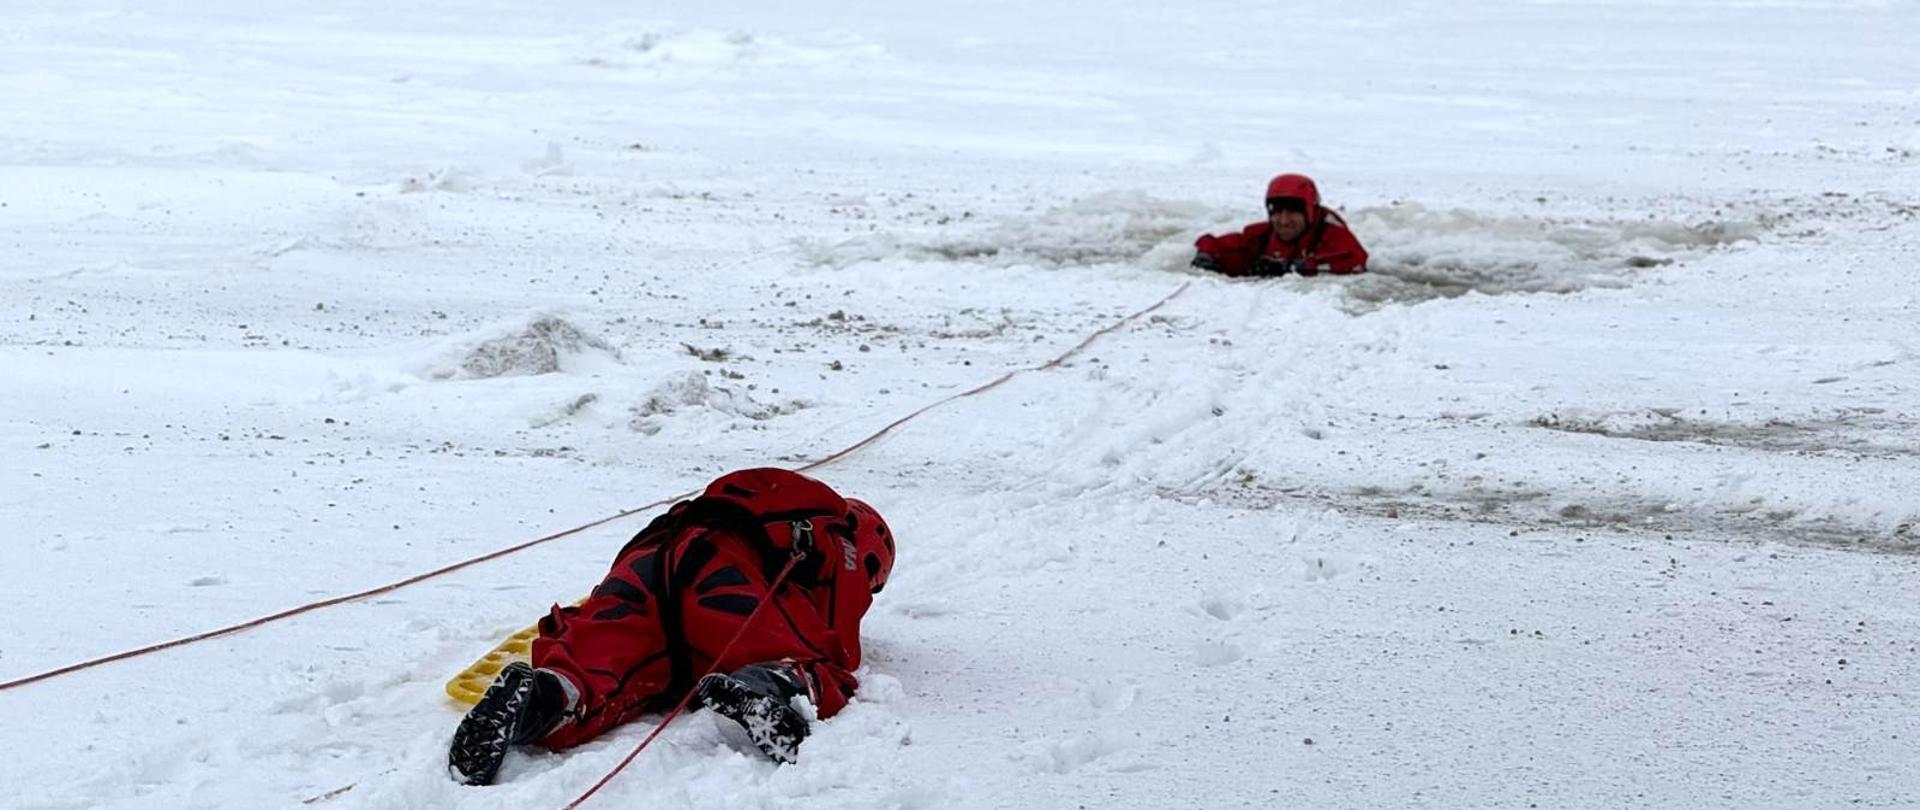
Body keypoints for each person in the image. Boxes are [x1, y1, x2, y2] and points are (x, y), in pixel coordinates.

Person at [448, 468, 896, 786]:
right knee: (815, 664)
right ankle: (771, 686)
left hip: (645, 561)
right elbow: (839, 641)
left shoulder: (763, 501)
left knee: (598, 668)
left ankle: (543, 697)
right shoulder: (844, 539)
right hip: (723, 572)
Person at [1192, 173, 1368, 277]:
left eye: (1292, 212)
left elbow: (1354, 260)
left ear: (1309, 212)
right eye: (1277, 212)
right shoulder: (1263, 236)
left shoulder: (1330, 232)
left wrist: (1294, 267)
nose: (1283, 220)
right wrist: (1206, 254)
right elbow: (1220, 244)